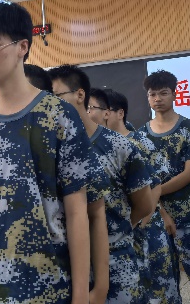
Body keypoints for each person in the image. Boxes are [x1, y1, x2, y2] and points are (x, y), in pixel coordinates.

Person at [0, 2, 91, 304]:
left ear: (22, 47)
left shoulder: (59, 117)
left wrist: (81, 296)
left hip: (48, 287)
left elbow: (78, 211)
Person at [50, 66, 153, 304]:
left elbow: (144, 205)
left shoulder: (119, 146)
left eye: (56, 97)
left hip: (116, 261)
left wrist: (116, 231)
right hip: (68, 262)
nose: (50, 105)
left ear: (80, 95)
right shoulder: (52, 147)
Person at [137, 70, 190, 304]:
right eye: (152, 94)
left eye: (163, 93)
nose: (157, 99)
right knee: (164, 282)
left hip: (189, 215)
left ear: (174, 94)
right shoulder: (140, 136)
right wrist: (158, 205)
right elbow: (142, 180)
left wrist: (157, 192)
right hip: (155, 217)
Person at [95, 88, 170, 304]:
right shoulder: (98, 145)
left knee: (155, 286)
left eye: (103, 109)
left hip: (144, 225)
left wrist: (137, 223)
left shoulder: (139, 142)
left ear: (119, 113)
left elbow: (156, 186)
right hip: (119, 232)